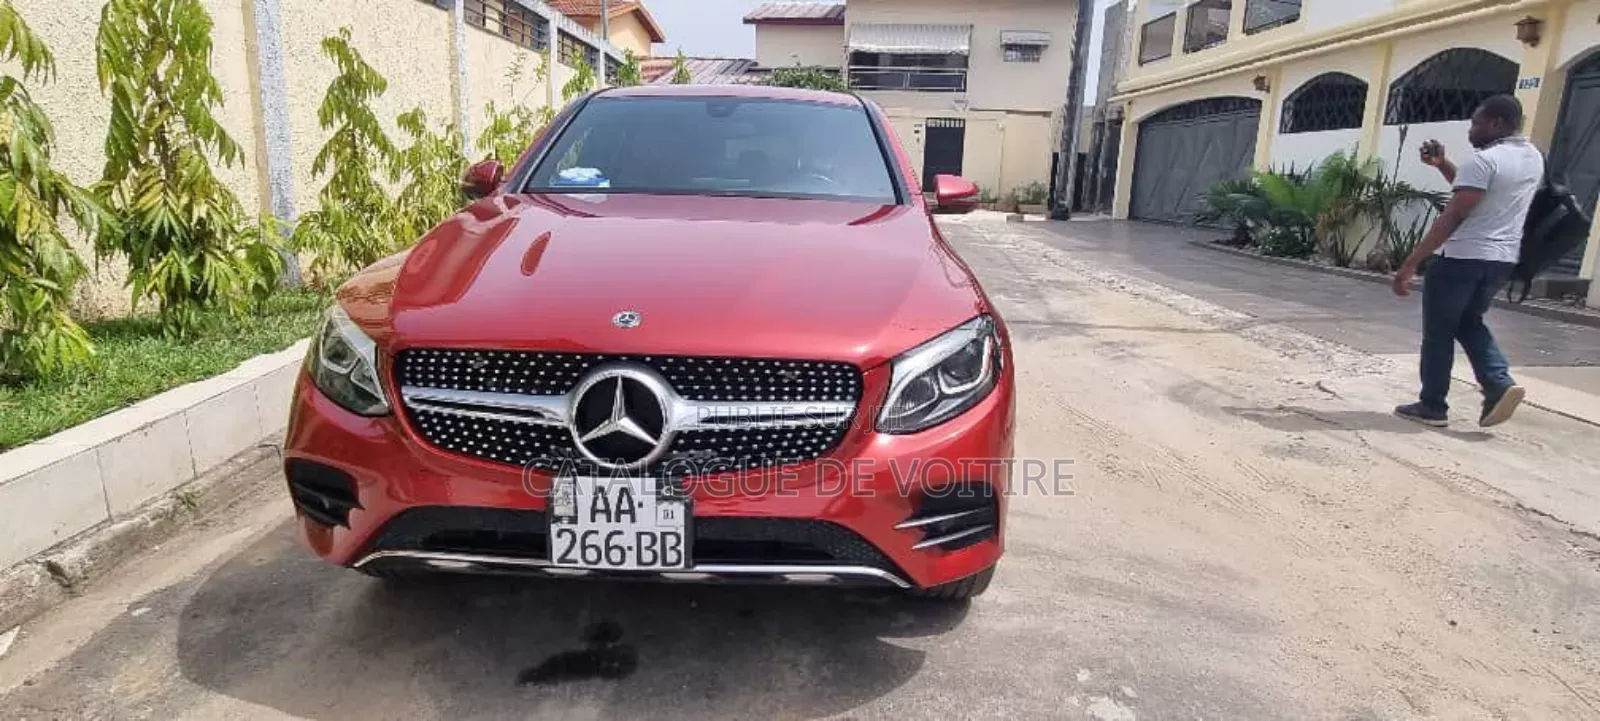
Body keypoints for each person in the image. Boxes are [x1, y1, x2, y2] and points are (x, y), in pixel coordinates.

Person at [1392, 94, 1541, 428]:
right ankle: (1498, 383)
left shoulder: (1484, 160)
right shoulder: (1533, 157)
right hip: (1501, 260)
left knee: (1439, 332)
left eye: (1476, 123)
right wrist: (1442, 164)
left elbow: (1455, 214)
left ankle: (1432, 405)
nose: (1470, 129)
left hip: (1462, 258)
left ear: (1497, 123)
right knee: (1468, 322)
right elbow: (1479, 193)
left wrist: (1411, 263)